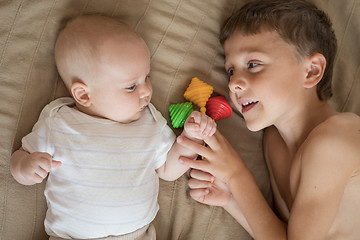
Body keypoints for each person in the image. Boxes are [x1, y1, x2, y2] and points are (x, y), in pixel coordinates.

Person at [10, 14, 216, 240]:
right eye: (131, 86)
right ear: (84, 94)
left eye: (146, 77)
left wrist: (191, 137)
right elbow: (19, 159)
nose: (146, 90)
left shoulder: (150, 121)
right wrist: (26, 167)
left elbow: (168, 170)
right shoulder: (58, 121)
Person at [176, 0, 360, 239]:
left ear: (311, 71)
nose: (232, 83)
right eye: (230, 70)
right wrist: (230, 200)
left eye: (253, 64)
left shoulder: (333, 141)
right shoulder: (274, 141)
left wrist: (236, 175)